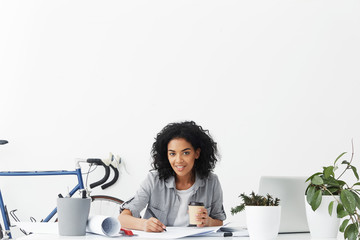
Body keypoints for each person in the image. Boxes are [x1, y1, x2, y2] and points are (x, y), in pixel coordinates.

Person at [118, 121, 226, 232]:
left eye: (186, 153)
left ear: (197, 153)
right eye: (172, 154)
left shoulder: (211, 182)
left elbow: (219, 221)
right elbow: (122, 219)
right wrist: (144, 224)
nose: (178, 160)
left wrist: (208, 222)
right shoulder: (153, 180)